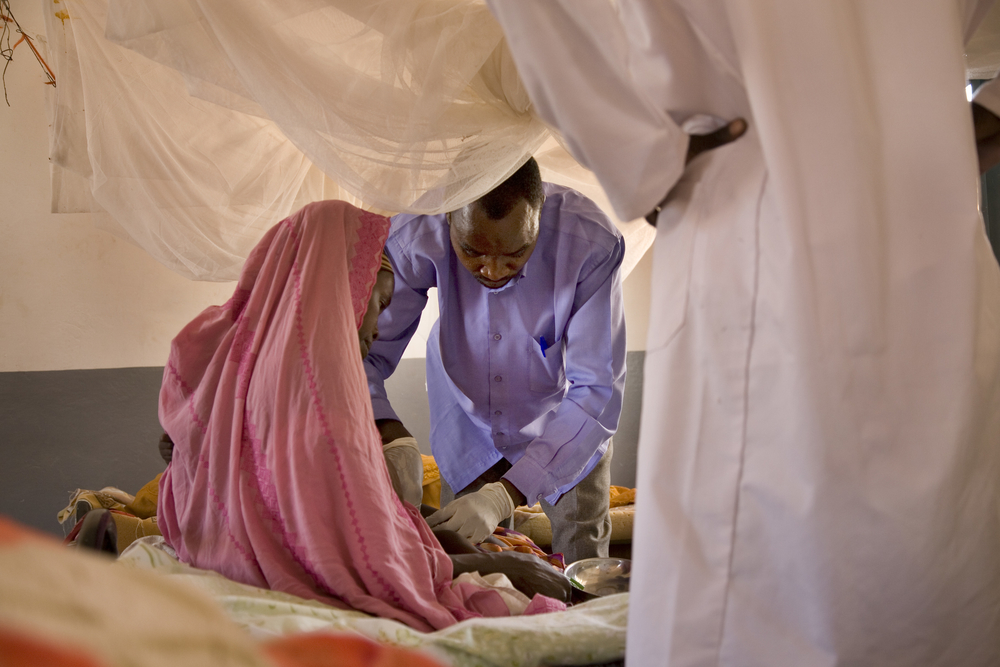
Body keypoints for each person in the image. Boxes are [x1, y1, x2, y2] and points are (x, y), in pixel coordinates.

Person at [486, 2, 1000, 665]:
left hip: (762, 204)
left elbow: (593, 395)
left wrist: (638, 146)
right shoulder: (424, 250)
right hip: (917, 212)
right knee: (905, 576)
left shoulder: (585, 244)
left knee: (768, 587)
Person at [157, 200, 570, 632]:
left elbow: (340, 513)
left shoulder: (227, 367)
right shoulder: (322, 407)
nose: (377, 325)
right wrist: (484, 569)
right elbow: (358, 554)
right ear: (335, 295)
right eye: (378, 302)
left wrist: (458, 541)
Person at [364, 157, 627, 564]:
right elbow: (362, 356)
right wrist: (393, 434)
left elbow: (596, 392)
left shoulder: (590, 242)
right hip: (467, 424)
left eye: (516, 253)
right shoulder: (415, 232)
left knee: (583, 565)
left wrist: (506, 494)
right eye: (472, 251)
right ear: (449, 216)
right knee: (475, 567)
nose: (492, 269)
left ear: (540, 216)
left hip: (566, 425)